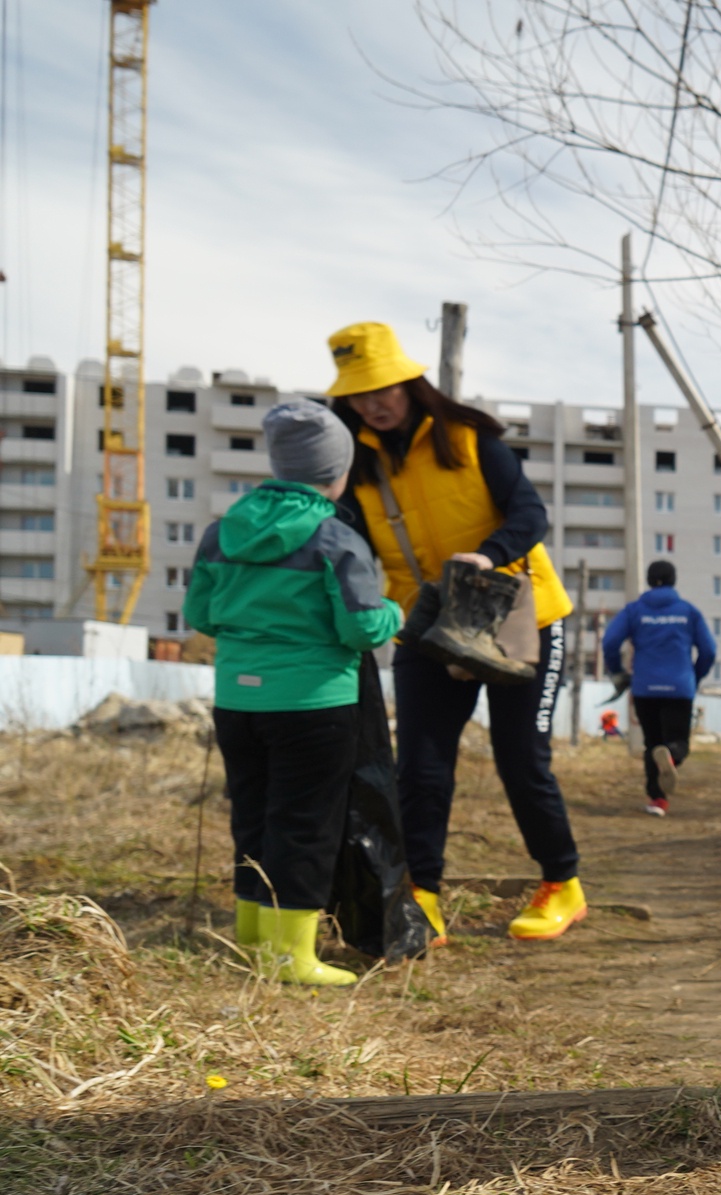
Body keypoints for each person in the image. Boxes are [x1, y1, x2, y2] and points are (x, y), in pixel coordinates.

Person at [325, 321, 588, 943]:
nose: (373, 402)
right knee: (421, 765)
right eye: (359, 393)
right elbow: (355, 548)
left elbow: (530, 513)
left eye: (382, 387)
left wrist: (488, 553)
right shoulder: (355, 464)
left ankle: (562, 884)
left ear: (410, 380)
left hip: (519, 619)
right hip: (425, 626)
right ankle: (424, 895)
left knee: (521, 759)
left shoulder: (470, 441)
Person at [185, 400, 404, 986]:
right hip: (312, 705)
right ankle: (293, 957)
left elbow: (201, 614)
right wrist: (393, 613)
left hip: (238, 701)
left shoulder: (220, 532)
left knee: (252, 817)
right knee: (304, 824)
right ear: (336, 474)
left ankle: (253, 942)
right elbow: (359, 628)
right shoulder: (335, 538)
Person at [601, 559, 716, 816]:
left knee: (652, 743)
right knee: (678, 742)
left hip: (645, 688)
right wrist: (694, 676)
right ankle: (672, 758)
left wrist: (617, 672)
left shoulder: (634, 611)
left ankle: (658, 801)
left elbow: (610, 642)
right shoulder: (688, 611)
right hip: (679, 688)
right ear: (674, 581)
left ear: (649, 581)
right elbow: (709, 650)